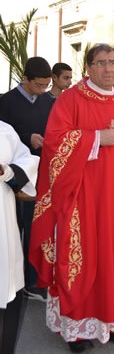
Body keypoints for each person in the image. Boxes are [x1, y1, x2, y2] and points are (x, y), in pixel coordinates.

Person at [29, 44, 114, 353]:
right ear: (89, 68)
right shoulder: (70, 99)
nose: (108, 69)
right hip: (82, 197)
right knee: (85, 255)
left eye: (113, 63)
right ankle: (78, 329)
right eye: (101, 63)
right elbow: (54, 142)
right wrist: (95, 138)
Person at [0, 56, 54, 301]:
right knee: (12, 228)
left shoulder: (49, 102)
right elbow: (5, 137)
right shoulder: (5, 102)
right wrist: (27, 138)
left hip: (40, 174)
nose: (43, 90)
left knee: (34, 227)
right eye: (39, 85)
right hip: (9, 179)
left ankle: (32, 282)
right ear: (25, 79)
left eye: (46, 85)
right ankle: (11, 279)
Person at [0, 121, 39, 354]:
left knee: (6, 290)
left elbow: (27, 160)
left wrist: (8, 171)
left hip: (2, 226)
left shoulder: (4, 131)